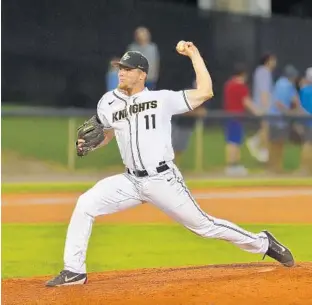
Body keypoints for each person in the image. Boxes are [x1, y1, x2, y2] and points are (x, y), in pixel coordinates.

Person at [46, 43, 294, 287]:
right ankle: (74, 271)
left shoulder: (161, 99)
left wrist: (194, 54)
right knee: (85, 204)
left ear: (142, 75)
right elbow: (107, 134)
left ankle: (264, 242)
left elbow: (205, 91)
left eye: (127, 69)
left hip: (162, 180)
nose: (121, 72)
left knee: (204, 226)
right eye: (120, 68)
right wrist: (90, 145)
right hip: (130, 181)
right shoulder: (107, 102)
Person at [223, 63, 262, 176]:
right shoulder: (241, 86)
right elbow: (247, 102)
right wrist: (258, 112)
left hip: (228, 116)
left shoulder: (228, 85)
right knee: (234, 142)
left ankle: (233, 164)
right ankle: (232, 165)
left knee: (231, 141)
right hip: (237, 117)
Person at [267, 65, 301, 173]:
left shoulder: (279, 83)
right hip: (280, 120)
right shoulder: (288, 85)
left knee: (273, 144)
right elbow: (281, 102)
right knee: (279, 144)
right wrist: (290, 112)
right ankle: (277, 168)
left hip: (272, 117)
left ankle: (273, 167)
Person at [247, 53, 277, 163]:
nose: (275, 63)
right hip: (264, 106)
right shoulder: (264, 72)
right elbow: (264, 91)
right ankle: (261, 149)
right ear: (268, 61)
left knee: (266, 129)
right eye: (273, 60)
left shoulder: (260, 71)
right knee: (266, 128)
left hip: (263, 105)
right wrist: (265, 107)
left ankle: (257, 144)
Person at [171, 80, 208, 167]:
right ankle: (171, 166)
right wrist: (197, 113)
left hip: (188, 125)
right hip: (178, 124)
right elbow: (180, 110)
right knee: (173, 146)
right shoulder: (188, 94)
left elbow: (202, 111)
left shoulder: (201, 96)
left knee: (180, 147)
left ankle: (175, 165)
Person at [298, 67, 312, 174]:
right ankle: (306, 168)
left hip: (304, 120)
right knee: (308, 144)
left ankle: (305, 167)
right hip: (309, 121)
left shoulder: (303, 90)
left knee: (306, 143)